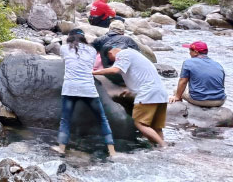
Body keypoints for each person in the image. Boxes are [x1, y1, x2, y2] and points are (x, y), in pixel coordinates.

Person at [52, 30, 116, 158]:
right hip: (88, 89)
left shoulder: (64, 48)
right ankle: (112, 152)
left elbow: (65, 62)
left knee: (65, 120)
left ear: (70, 37)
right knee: (102, 119)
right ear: (83, 38)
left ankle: (61, 148)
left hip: (70, 89)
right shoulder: (91, 51)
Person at [94, 47, 169, 146]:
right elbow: (139, 75)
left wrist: (93, 72)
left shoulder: (123, 54)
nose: (112, 61)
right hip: (160, 93)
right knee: (156, 126)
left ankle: (163, 146)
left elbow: (115, 70)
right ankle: (158, 148)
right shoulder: (135, 54)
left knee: (140, 124)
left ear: (109, 53)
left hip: (147, 94)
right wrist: (130, 89)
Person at [169, 41, 226, 107]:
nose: (189, 53)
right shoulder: (218, 65)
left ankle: (180, 110)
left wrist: (177, 96)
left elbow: (183, 81)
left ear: (196, 52)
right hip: (220, 101)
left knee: (176, 91)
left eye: (190, 50)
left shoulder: (188, 62)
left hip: (199, 100)